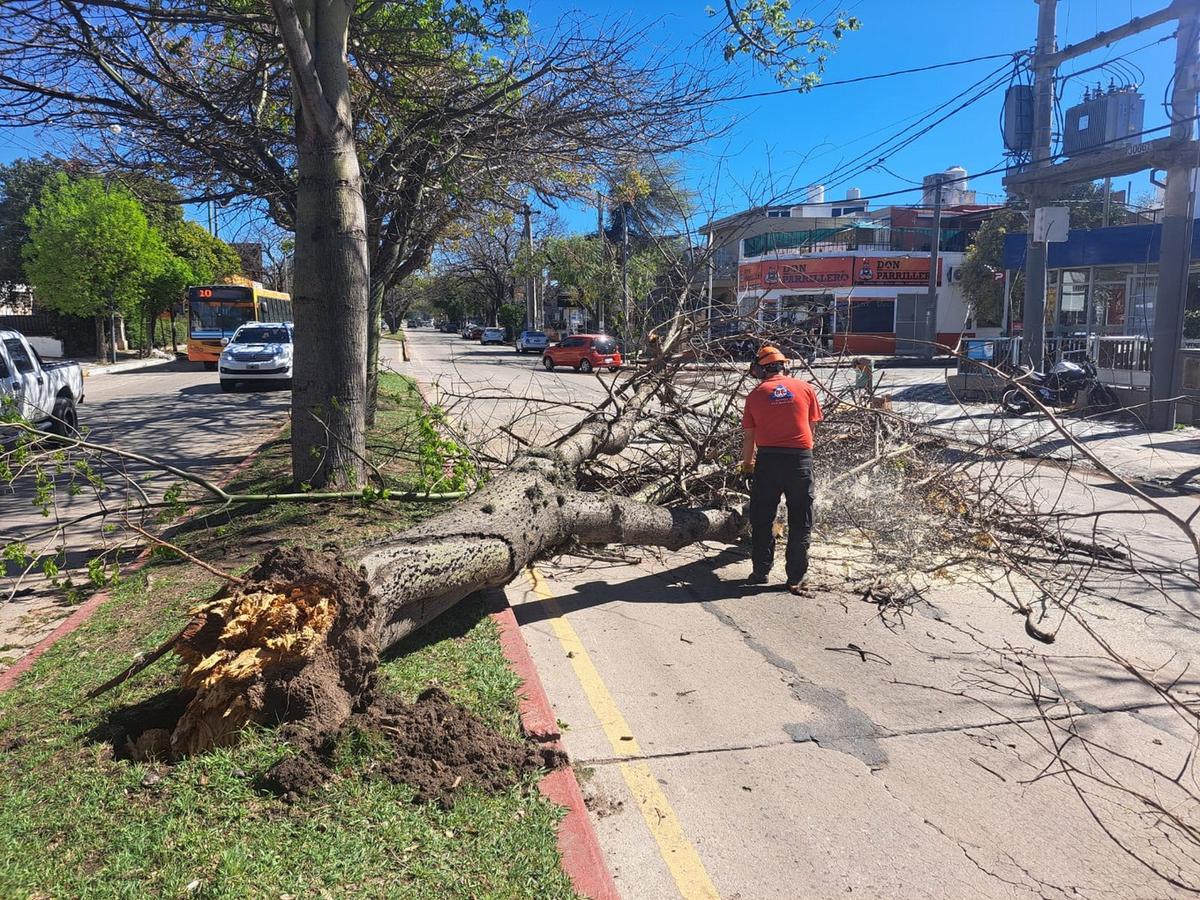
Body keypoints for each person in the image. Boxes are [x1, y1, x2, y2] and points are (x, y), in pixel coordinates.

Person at [740, 344, 823, 594]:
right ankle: (795, 577)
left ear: (761, 369)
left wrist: (747, 465)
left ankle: (760, 571)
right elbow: (811, 427)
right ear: (784, 366)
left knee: (762, 518)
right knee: (801, 518)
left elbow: (749, 436)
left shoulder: (755, 395)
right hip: (800, 460)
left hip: (768, 462)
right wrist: (805, 455)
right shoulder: (805, 388)